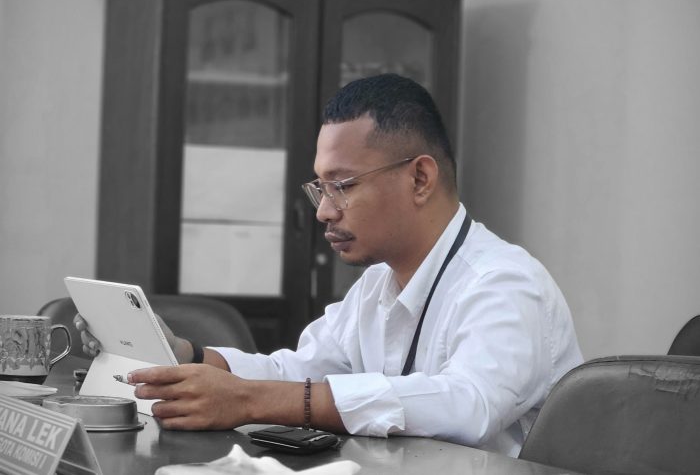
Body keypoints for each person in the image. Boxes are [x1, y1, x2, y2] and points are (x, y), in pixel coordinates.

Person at [76, 73, 582, 457]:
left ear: (420, 180)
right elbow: (296, 370)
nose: (323, 211)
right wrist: (189, 354)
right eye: (320, 187)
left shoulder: (504, 282)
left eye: (343, 185)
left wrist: (251, 401)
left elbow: (468, 405)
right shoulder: (376, 285)